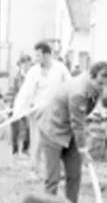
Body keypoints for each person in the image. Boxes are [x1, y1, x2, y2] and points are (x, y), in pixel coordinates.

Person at [37, 62, 107, 203]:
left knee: (74, 175)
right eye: (100, 83)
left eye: (106, 84)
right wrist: (84, 151)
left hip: (70, 134)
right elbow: (78, 124)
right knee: (53, 178)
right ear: (91, 76)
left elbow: (82, 118)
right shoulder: (79, 92)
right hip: (53, 131)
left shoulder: (94, 87)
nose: (103, 87)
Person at [14, 41, 71, 169]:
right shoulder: (34, 71)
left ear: (47, 55)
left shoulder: (60, 69)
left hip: (55, 112)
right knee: (37, 141)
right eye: (36, 55)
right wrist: (18, 110)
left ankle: (57, 170)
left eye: (39, 55)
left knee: (56, 141)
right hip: (37, 111)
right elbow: (25, 91)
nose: (36, 59)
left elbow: (69, 86)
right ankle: (34, 169)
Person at [8, 54, 33, 155]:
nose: (28, 67)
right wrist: (10, 105)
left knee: (28, 128)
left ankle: (25, 149)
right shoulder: (16, 77)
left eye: (30, 65)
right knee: (15, 129)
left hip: (26, 107)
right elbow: (11, 91)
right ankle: (15, 150)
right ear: (22, 65)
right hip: (16, 106)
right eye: (26, 64)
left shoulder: (32, 77)